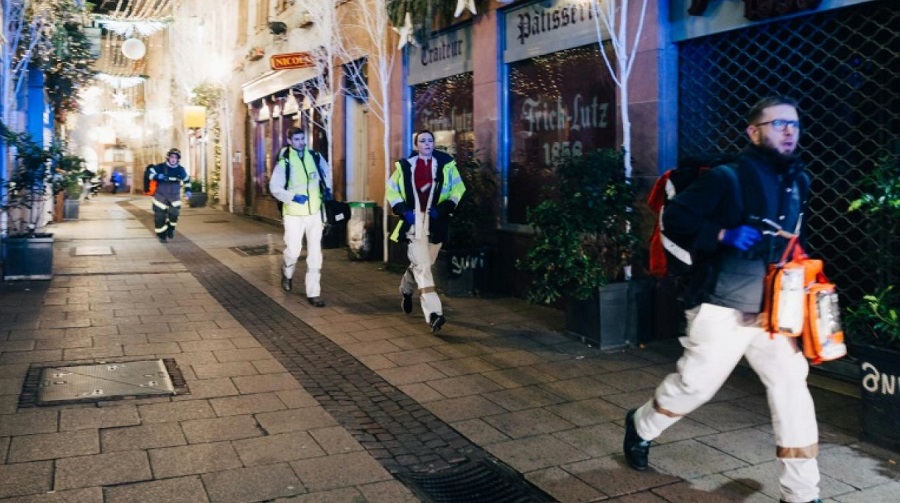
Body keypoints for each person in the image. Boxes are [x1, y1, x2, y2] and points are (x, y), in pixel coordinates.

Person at [623, 96, 822, 503]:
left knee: (792, 390)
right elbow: (676, 219)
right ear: (754, 131)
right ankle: (641, 425)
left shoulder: (798, 180)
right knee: (695, 386)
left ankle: (801, 493)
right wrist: (722, 235)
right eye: (778, 124)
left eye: (794, 125)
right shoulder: (727, 178)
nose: (789, 131)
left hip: (774, 311)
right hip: (722, 303)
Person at [386, 130, 466, 332]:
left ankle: (406, 289)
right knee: (423, 268)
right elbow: (392, 190)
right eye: (422, 141)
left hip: (437, 222)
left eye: (430, 140)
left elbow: (459, 190)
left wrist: (444, 208)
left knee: (423, 265)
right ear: (416, 145)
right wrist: (404, 211)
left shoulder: (446, 166)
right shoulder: (405, 167)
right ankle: (434, 314)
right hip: (415, 223)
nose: (427, 143)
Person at [269, 127, 333, 308]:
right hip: (294, 214)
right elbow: (275, 188)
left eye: (302, 139)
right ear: (289, 141)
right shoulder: (285, 162)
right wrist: (292, 197)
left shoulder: (315, 156)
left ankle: (314, 293)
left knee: (315, 252)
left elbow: (326, 174)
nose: (301, 142)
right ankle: (287, 272)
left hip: (314, 212)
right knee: (294, 250)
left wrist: (327, 189)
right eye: (296, 139)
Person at [148, 148, 191, 243]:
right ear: (168, 157)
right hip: (160, 196)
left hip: (174, 197)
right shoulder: (160, 167)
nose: (173, 159)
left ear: (178, 159)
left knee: (174, 214)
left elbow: (187, 180)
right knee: (159, 217)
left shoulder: (180, 169)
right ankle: (162, 235)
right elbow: (149, 174)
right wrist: (156, 176)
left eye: (175, 157)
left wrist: (188, 190)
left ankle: (171, 228)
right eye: (172, 157)